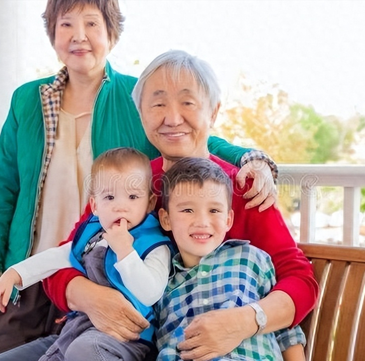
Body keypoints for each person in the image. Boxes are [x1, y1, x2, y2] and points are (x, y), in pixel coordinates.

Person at [0, 0, 279, 357]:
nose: (79, 36)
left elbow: (191, 134)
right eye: (66, 25)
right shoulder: (27, 100)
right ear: (52, 33)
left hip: (113, 265)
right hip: (51, 261)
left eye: (92, 24)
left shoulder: (136, 97)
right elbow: (1, 189)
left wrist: (248, 157)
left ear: (111, 34)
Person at [39, 50, 319, 361]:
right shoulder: (129, 182)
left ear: (213, 112)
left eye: (188, 103)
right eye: (158, 104)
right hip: (91, 332)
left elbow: (299, 279)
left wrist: (245, 321)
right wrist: (89, 296)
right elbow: (65, 256)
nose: (172, 119)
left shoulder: (242, 188)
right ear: (142, 114)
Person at [0, 148, 171, 360]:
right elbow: (56, 257)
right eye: (109, 197)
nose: (121, 207)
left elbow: (151, 292)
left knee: (83, 350)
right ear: (95, 206)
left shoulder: (154, 244)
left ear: (150, 203)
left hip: (127, 339)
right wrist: (14, 274)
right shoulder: (94, 236)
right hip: (80, 328)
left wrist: (125, 252)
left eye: (133, 197)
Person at [155, 157, 307, 361]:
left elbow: (286, 331)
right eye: (187, 210)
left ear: (228, 220)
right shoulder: (159, 282)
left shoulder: (251, 259)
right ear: (166, 219)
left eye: (214, 210)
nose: (202, 222)